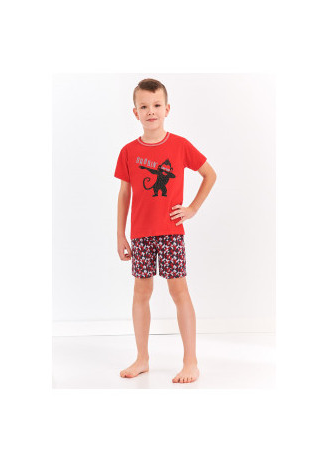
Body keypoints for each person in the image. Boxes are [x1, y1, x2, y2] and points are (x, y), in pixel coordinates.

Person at [114, 78, 217, 383]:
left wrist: (192, 208)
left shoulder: (180, 145)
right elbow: (124, 194)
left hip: (172, 233)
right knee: (141, 292)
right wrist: (120, 234)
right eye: (144, 106)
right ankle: (142, 358)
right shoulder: (128, 151)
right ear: (135, 112)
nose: (151, 111)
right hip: (141, 235)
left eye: (157, 105)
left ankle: (190, 361)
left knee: (178, 291)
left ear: (167, 109)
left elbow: (209, 174)